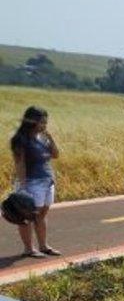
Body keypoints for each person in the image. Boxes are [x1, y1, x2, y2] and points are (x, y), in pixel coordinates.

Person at [10, 106, 61, 258]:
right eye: (41, 123)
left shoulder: (43, 138)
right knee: (27, 216)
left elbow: (56, 155)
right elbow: (20, 164)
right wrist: (23, 187)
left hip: (47, 181)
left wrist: (50, 138)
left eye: (46, 122)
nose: (44, 126)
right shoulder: (20, 139)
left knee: (42, 215)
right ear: (31, 122)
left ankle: (43, 246)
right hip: (32, 182)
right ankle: (29, 248)